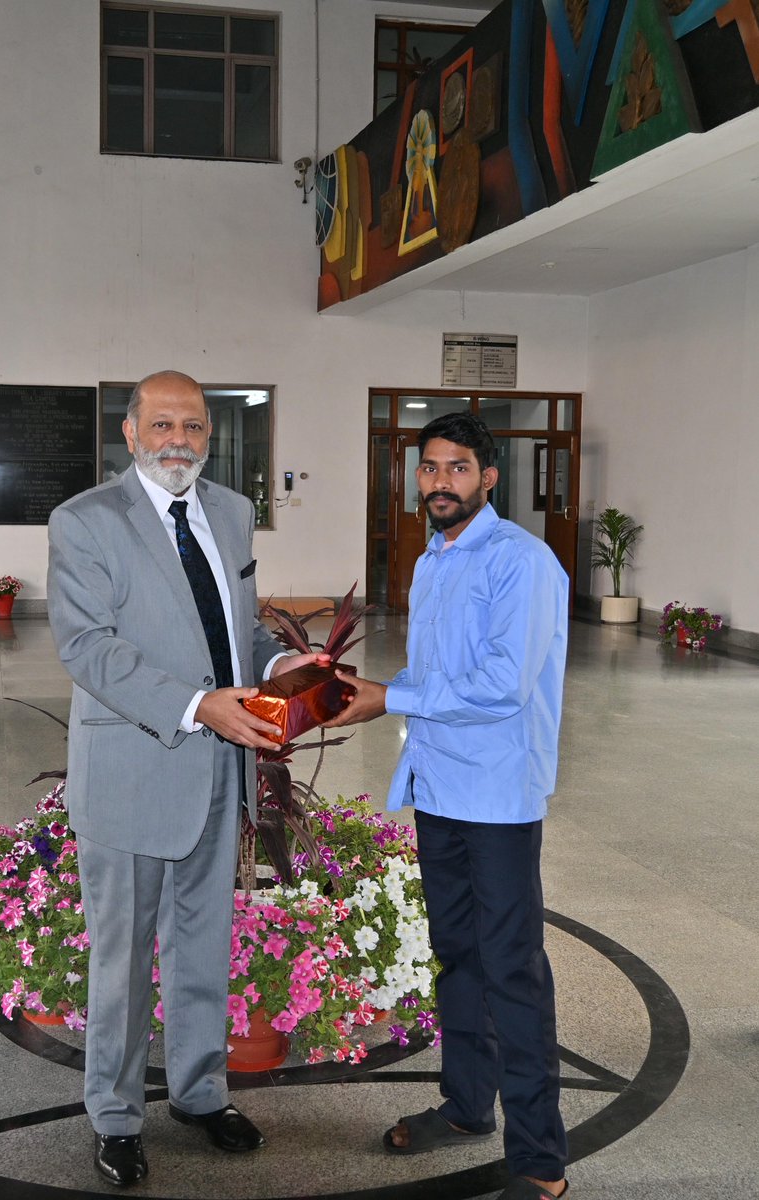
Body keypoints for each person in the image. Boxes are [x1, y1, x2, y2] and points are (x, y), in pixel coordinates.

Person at [47, 370, 325, 1187]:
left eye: (195, 427)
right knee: (122, 959)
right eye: (162, 424)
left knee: (201, 946)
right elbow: (88, 647)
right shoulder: (85, 521)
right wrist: (199, 705)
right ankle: (115, 1115)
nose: (180, 440)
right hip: (136, 767)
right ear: (128, 434)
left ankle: (202, 1095)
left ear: (210, 436)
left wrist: (281, 663)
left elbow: (230, 632)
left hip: (219, 770)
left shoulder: (231, 513)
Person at [325, 413, 569, 1200]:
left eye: (456, 469)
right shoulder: (432, 560)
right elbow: (439, 675)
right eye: (428, 469)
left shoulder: (520, 563)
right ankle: (467, 1109)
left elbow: (502, 685)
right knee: (457, 955)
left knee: (511, 968)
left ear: (487, 477)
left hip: (496, 794)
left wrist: (387, 697)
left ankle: (539, 1158)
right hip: (439, 787)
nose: (438, 482)